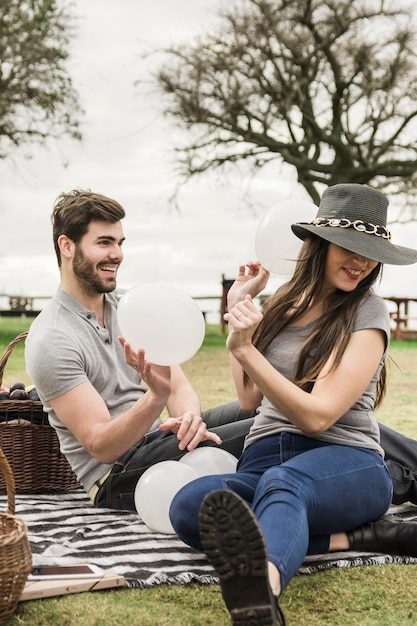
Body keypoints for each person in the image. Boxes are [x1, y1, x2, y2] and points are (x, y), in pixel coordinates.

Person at [24, 188, 417, 516]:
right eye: (104, 243)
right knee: (290, 422)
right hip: (119, 474)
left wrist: (189, 417)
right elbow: (102, 446)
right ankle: (391, 481)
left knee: (311, 413)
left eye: (120, 243)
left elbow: (178, 387)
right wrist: (156, 400)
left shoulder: (130, 307)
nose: (118, 254)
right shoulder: (52, 339)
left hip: (161, 437)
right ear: (67, 246)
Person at [168, 183, 417, 626]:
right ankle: (352, 538)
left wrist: (247, 351)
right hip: (263, 462)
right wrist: (237, 310)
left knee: (286, 485)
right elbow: (249, 397)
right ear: (320, 244)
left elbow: (317, 416)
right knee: (190, 506)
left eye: (370, 251)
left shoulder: (368, 313)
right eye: (348, 247)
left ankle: (262, 592)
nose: (360, 262)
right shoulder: (282, 302)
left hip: (345, 462)